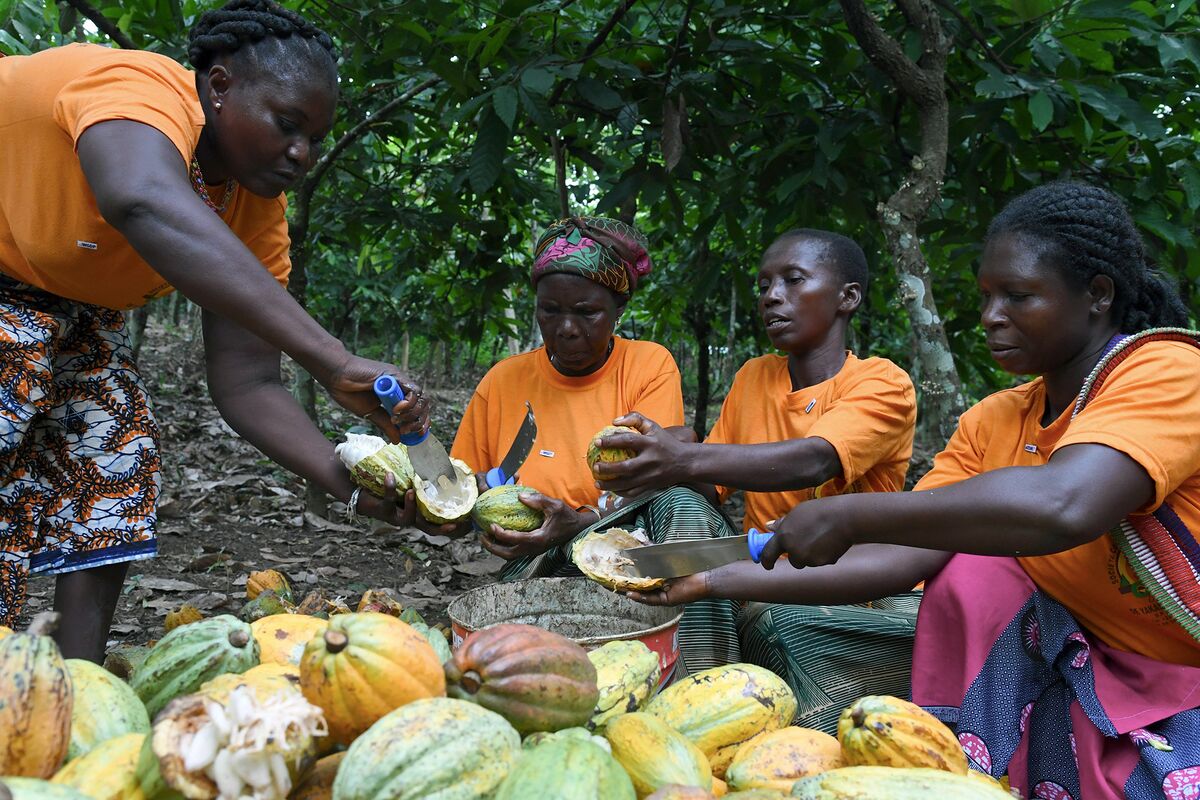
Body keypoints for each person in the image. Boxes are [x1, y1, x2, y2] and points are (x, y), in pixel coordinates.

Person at [632, 182, 1200, 799]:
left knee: (982, 569)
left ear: (1097, 296)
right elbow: (906, 557)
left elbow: (1065, 504)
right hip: (1083, 665)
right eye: (986, 297)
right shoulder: (994, 421)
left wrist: (851, 514)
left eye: (1018, 296)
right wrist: (712, 581)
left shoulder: (1168, 371)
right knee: (971, 571)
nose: (991, 317)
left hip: (1178, 669)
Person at [0, 0, 435, 661]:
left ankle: (76, 691)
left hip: (61, 308)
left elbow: (248, 380)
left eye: (314, 139)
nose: (302, 153)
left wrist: (350, 486)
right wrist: (330, 357)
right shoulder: (144, 87)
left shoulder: (253, 205)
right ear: (221, 84)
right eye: (288, 125)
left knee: (115, 438)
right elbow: (140, 196)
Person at [595, 229, 919, 720]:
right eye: (765, 284)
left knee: (785, 629)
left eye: (793, 280)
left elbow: (815, 459)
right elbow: (709, 484)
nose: (771, 296)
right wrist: (652, 458)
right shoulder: (754, 377)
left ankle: (735, 704)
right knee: (674, 506)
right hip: (756, 564)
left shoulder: (883, 383)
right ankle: (702, 689)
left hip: (858, 583)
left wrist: (680, 459)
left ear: (846, 298)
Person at [450, 215, 686, 579]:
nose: (567, 329)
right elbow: (460, 493)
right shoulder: (503, 380)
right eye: (550, 310)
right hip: (533, 562)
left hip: (624, 550)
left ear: (619, 308)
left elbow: (657, 486)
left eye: (586, 312)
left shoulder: (649, 366)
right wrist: (475, 497)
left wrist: (580, 522)